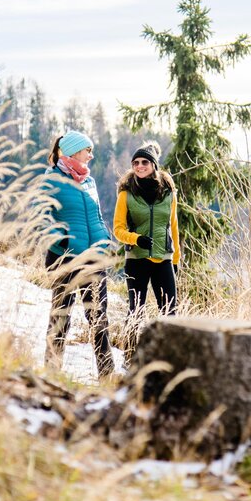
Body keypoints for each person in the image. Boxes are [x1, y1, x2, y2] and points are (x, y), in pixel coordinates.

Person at [41, 130, 114, 379]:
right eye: (87, 151)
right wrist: (56, 236)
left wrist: (105, 239)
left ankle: (107, 376)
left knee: (98, 318)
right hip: (65, 256)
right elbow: (39, 213)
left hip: (94, 258)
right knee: (61, 316)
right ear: (73, 152)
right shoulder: (52, 178)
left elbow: (96, 215)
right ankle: (52, 373)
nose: (91, 156)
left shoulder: (89, 181)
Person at [113, 141, 180, 325]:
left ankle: (167, 353)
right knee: (136, 311)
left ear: (153, 165)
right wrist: (136, 239)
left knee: (170, 312)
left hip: (163, 258)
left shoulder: (169, 194)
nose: (140, 166)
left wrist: (175, 260)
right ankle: (130, 352)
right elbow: (118, 229)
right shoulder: (126, 194)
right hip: (136, 259)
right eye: (136, 163)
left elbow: (173, 227)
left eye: (145, 162)